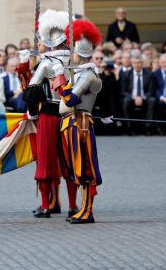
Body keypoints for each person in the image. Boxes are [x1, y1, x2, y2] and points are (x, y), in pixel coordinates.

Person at [17, 9, 78, 220]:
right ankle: (72, 205)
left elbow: (31, 92)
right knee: (70, 160)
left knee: (45, 161)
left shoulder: (45, 62)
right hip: (72, 115)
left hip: (49, 116)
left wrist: (33, 112)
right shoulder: (74, 59)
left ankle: (46, 206)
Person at [52, 19, 103, 223]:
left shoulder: (88, 75)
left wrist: (59, 80)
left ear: (79, 53)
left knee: (84, 167)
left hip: (79, 123)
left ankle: (87, 210)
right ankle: (82, 208)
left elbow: (71, 99)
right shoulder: (80, 73)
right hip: (70, 123)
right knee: (76, 167)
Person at [120, 55, 156, 135]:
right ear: (132, 64)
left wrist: (142, 97)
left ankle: (148, 127)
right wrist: (134, 97)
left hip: (144, 97)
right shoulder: (127, 74)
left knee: (152, 100)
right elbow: (123, 91)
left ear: (142, 64)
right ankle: (129, 127)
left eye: (139, 63)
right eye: (135, 63)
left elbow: (151, 91)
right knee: (125, 101)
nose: (137, 65)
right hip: (131, 97)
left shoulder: (149, 74)